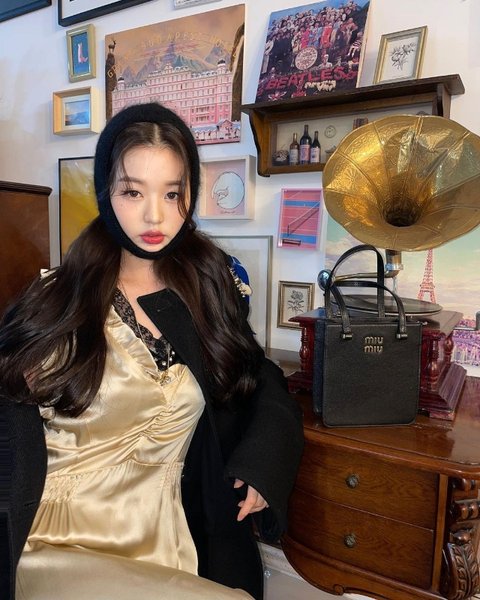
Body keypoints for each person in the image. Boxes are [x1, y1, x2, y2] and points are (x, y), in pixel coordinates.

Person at [0, 102, 304, 600]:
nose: (155, 215)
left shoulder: (208, 288)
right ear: (106, 193)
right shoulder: (59, 298)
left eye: (172, 193)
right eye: (133, 191)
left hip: (166, 540)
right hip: (58, 537)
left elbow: (257, 372)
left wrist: (265, 459)